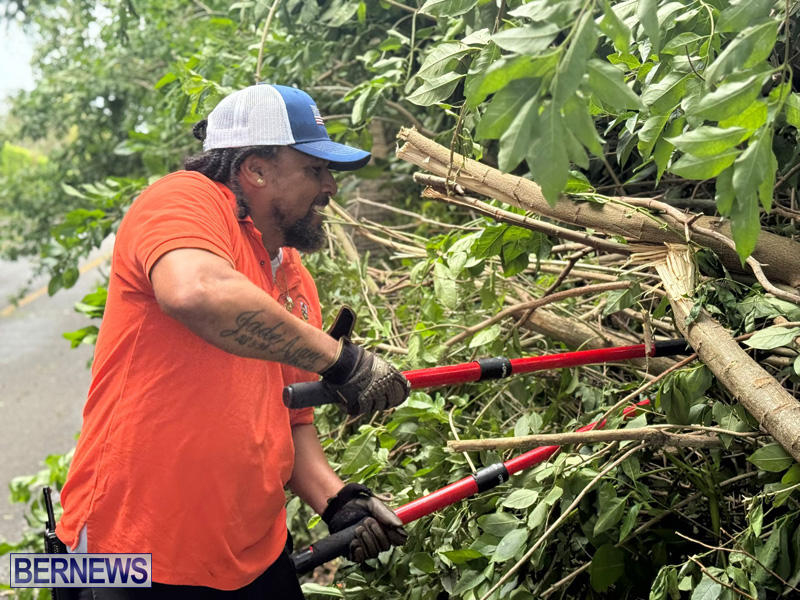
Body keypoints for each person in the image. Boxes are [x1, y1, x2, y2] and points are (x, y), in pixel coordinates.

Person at [55, 83, 411, 599]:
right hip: (124, 554)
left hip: (253, 558)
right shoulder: (181, 199)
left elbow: (291, 419)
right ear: (256, 169)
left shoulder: (293, 277)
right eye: (315, 169)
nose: (331, 186)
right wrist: (341, 361)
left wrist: (338, 502)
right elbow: (195, 291)